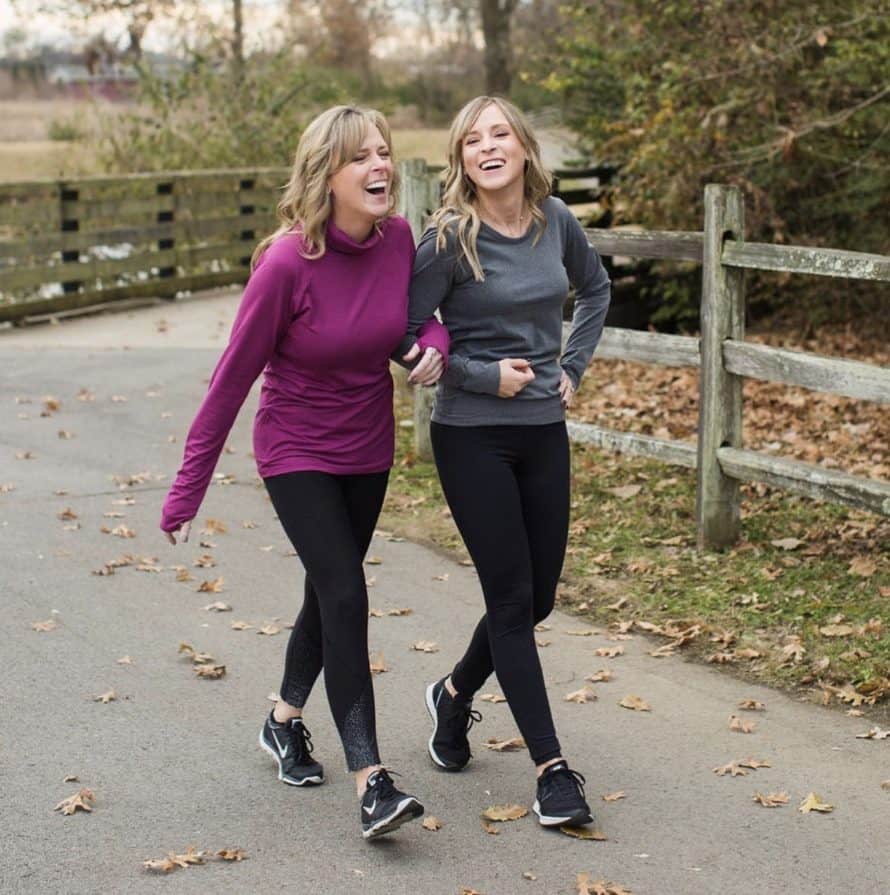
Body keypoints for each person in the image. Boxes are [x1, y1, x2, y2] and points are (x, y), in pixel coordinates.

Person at [159, 105, 449, 840]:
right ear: (328, 174)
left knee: (329, 596)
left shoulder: (400, 240)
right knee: (347, 594)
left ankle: (283, 720)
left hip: (367, 448)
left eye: (384, 152)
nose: (381, 166)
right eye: (362, 158)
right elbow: (231, 380)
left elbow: (416, 321)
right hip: (295, 450)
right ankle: (373, 780)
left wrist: (433, 343)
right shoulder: (287, 263)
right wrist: (188, 488)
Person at [399, 96, 612, 829]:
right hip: (472, 435)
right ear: (462, 159)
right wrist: (486, 377)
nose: (487, 147)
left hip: (543, 428)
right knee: (513, 600)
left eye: (499, 134)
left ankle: (453, 694)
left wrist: (572, 367)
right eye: (471, 141)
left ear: (523, 146)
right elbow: (403, 335)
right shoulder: (448, 238)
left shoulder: (557, 222)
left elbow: (596, 288)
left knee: (538, 597)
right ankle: (553, 769)